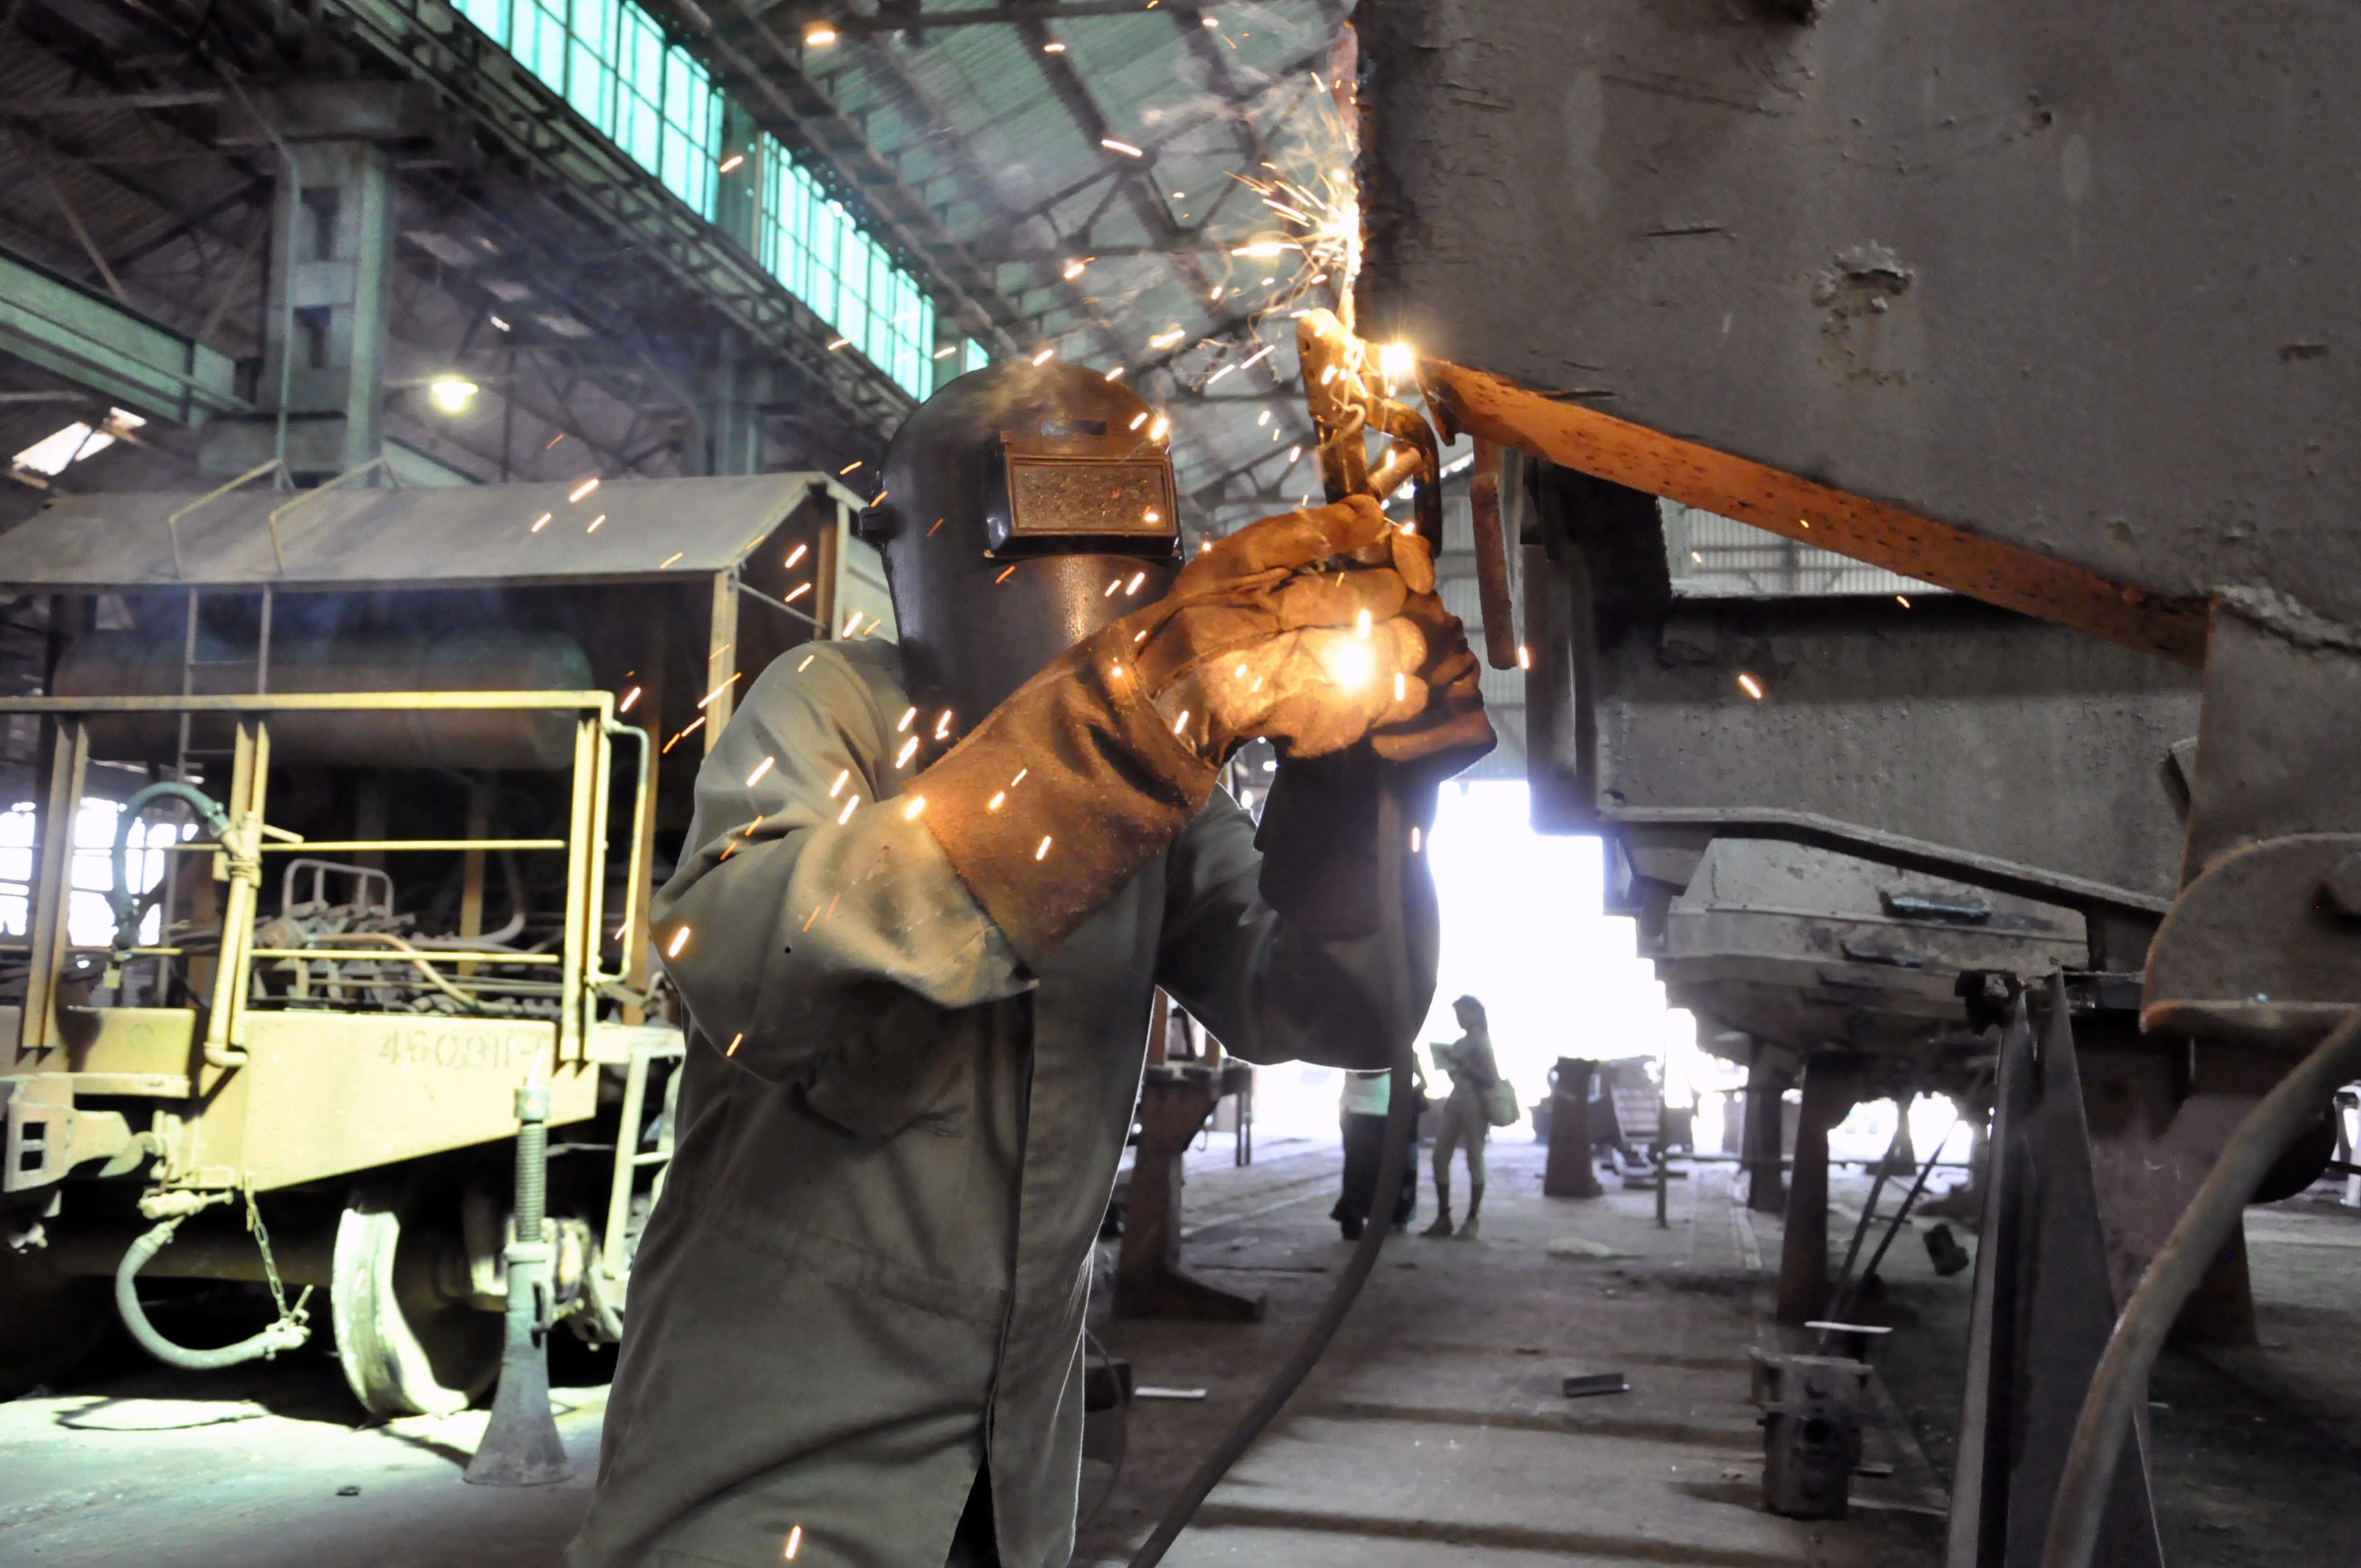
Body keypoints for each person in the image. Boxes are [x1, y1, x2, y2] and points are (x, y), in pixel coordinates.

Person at [568, 360, 1490, 1568]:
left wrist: (1367, 788)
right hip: (771, 1473)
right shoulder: (836, 704)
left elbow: (1329, 1010)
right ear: (927, 541)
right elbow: (751, 969)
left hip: (1009, 1482)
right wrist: (1129, 719)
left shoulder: (1163, 793)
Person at [1424, 995, 1500, 1239]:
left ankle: (1471, 1219)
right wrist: (1450, 1066)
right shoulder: (1459, 1043)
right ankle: (1443, 1216)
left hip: (1475, 1106)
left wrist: (1463, 1065)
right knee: (1439, 1158)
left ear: (1474, 1014)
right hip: (1456, 1101)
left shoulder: (1482, 1042)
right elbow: (1458, 1076)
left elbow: (1490, 1078)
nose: (1459, 1019)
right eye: (1456, 1015)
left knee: (1474, 1159)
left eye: (1462, 1014)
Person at [1330, 1060, 1425, 1241]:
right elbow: (1369, 1072)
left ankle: (1355, 1221)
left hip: (1361, 1110)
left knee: (1357, 1170)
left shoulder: (1354, 1044)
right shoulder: (1386, 1045)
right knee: (1370, 1170)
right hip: (1372, 1110)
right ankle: (1363, 1220)